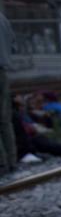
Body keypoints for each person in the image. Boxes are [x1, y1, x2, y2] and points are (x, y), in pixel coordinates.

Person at [0, 13, 15, 174]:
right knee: (5, 120)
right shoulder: (3, 18)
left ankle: (1, 163)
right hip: (3, 72)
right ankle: (11, 160)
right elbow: (13, 45)